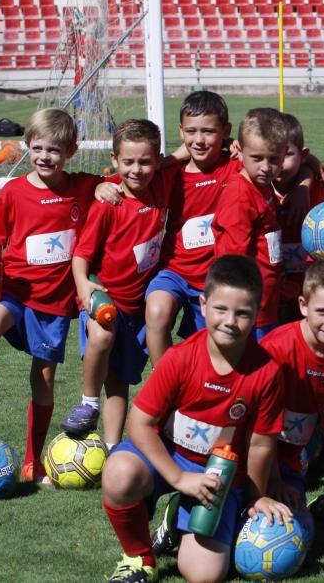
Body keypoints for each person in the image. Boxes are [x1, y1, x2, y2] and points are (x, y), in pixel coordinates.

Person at [99, 255, 291, 583]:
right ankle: (140, 558)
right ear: (202, 305)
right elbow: (139, 423)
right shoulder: (179, 358)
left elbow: (260, 444)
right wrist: (178, 478)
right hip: (168, 458)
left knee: (204, 575)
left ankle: (177, 518)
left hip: (219, 475)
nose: (230, 321)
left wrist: (256, 496)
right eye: (221, 309)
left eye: (243, 313)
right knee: (118, 473)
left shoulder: (268, 373)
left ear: (257, 313)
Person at [0, 110, 101, 483]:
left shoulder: (83, 187)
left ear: (71, 152)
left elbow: (125, 180)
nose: (45, 157)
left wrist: (106, 187)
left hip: (54, 302)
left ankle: (34, 460)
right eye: (37, 148)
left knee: (43, 376)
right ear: (26, 147)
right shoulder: (13, 192)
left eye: (54, 150)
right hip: (16, 288)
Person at [63, 119, 176, 447]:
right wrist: (84, 285)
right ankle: (87, 403)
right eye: (128, 162)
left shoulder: (161, 183)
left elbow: (181, 156)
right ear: (114, 159)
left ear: (157, 160)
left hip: (137, 306)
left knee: (119, 381)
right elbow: (81, 255)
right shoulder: (108, 204)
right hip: (105, 294)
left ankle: (111, 448)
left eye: (145, 162)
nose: (137, 170)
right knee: (101, 335)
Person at [144, 91, 238, 366]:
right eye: (192, 131)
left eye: (209, 132)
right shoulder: (171, 172)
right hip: (174, 270)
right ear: (180, 131)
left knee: (210, 352)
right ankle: (165, 386)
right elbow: (126, 178)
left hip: (215, 277)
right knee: (157, 311)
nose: (199, 140)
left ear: (225, 131)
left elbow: (280, 154)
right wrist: (104, 185)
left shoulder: (235, 165)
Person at [259, 258, 324, 511]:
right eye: (322, 312)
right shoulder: (277, 349)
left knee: (298, 530)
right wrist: (273, 482)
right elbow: (257, 429)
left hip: (291, 457)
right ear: (303, 306)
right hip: (256, 453)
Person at [212, 108, 287, 338]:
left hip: (267, 299)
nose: (266, 166)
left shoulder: (263, 185)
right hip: (250, 306)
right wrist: (239, 305)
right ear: (241, 152)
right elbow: (234, 260)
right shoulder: (239, 196)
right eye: (257, 158)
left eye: (274, 159)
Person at [274, 113, 324, 324]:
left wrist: (304, 184)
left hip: (312, 291)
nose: (277, 164)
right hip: (271, 294)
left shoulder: (319, 187)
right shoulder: (254, 184)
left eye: (286, 155)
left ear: (303, 155)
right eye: (272, 155)